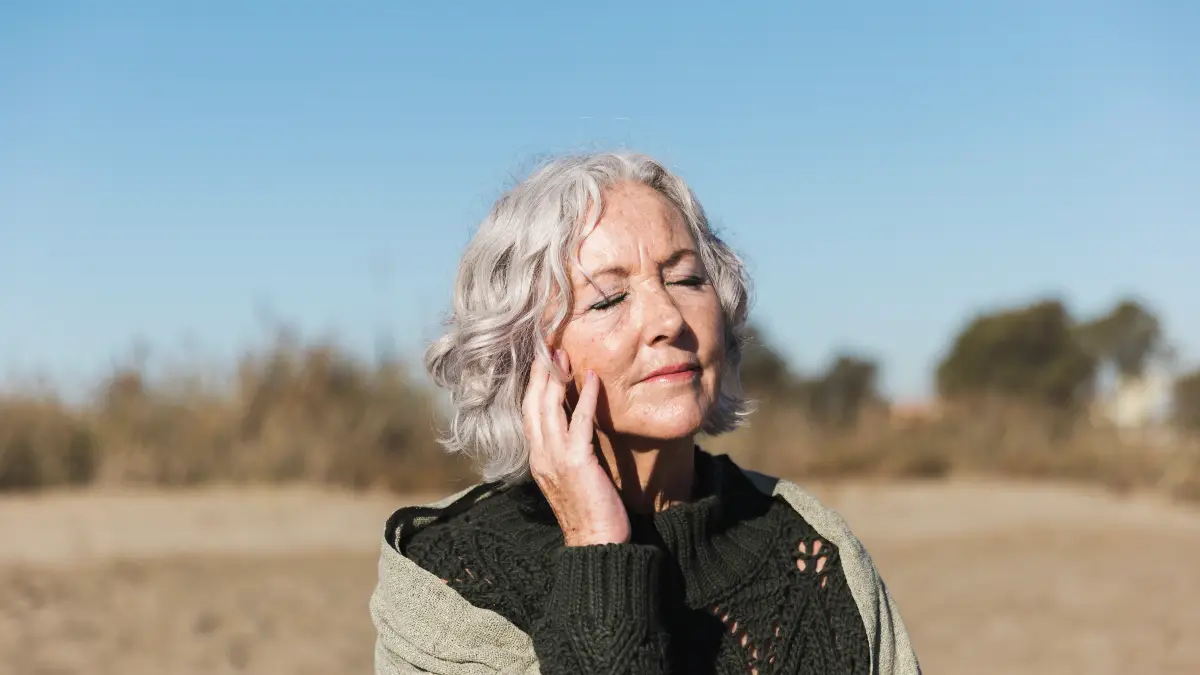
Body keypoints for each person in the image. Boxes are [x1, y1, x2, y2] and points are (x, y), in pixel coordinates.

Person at [370, 151, 921, 675]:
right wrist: (595, 545)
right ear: (521, 353)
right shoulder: (448, 582)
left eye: (686, 279)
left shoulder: (812, 550)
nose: (669, 320)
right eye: (608, 299)